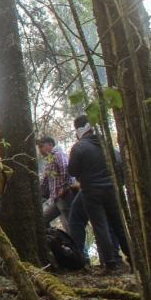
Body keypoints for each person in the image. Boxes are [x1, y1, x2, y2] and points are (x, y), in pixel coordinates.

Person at [67, 115, 130, 272]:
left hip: (91, 192)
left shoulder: (79, 147)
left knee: (100, 226)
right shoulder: (108, 146)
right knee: (119, 226)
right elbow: (121, 165)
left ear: (78, 131)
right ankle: (134, 261)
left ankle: (110, 264)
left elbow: (72, 171)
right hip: (111, 190)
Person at [38, 136, 74, 233]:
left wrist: (64, 188)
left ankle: (76, 247)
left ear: (50, 144)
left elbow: (66, 169)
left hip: (64, 196)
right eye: (38, 148)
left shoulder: (58, 154)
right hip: (55, 199)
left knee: (69, 226)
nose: (40, 150)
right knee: (42, 219)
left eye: (42, 146)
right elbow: (44, 182)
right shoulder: (49, 160)